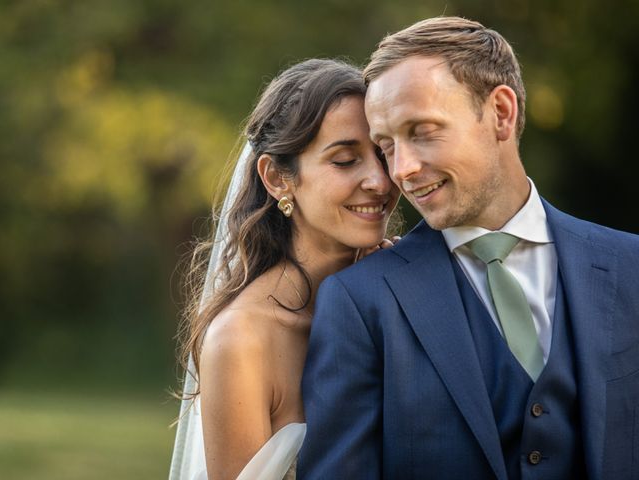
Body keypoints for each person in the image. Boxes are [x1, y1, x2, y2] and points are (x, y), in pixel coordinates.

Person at [298, 16, 639, 480]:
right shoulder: (362, 303)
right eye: (386, 146)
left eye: (421, 131)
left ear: (501, 113)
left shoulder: (629, 266)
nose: (402, 169)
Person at [169, 58, 400, 480]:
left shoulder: (400, 299)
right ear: (277, 178)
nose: (380, 182)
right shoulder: (242, 341)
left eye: (384, 156)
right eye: (345, 160)